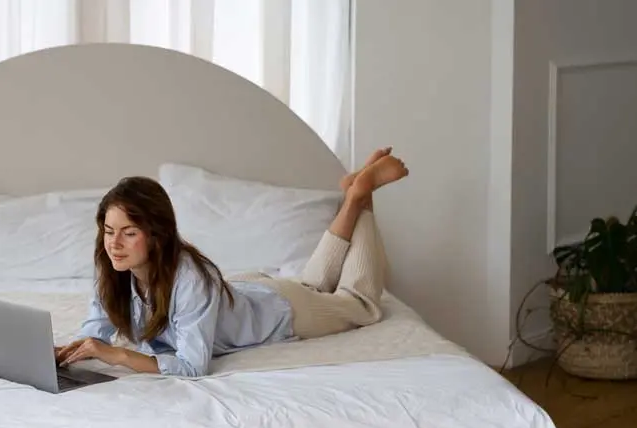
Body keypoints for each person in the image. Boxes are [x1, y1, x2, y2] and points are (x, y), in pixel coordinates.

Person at [54, 148, 409, 377]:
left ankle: (360, 197)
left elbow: (193, 366)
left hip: (284, 313)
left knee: (360, 305)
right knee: (313, 284)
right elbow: (95, 330)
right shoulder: (114, 269)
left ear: (157, 234)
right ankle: (353, 198)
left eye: (128, 233)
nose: (114, 243)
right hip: (256, 293)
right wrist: (69, 352)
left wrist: (119, 356)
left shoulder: (190, 278)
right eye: (108, 230)